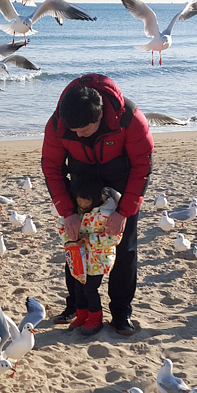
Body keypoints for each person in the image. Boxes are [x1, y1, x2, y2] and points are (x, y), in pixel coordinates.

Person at [42, 73, 154, 335]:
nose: (78, 135)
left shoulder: (130, 117)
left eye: (84, 130)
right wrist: (67, 212)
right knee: (75, 246)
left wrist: (124, 211)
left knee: (124, 249)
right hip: (81, 183)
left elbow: (143, 166)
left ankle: (121, 313)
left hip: (121, 181)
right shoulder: (58, 123)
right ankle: (76, 306)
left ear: (100, 115)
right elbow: (51, 168)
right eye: (74, 132)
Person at [57, 178, 123, 336]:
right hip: (79, 258)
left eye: (85, 201)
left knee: (90, 289)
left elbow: (115, 238)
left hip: (98, 259)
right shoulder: (77, 211)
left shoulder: (107, 214)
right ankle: (82, 316)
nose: (81, 204)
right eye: (78, 200)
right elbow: (62, 226)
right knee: (78, 288)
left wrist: (91, 239)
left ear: (95, 198)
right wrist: (70, 239)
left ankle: (95, 319)